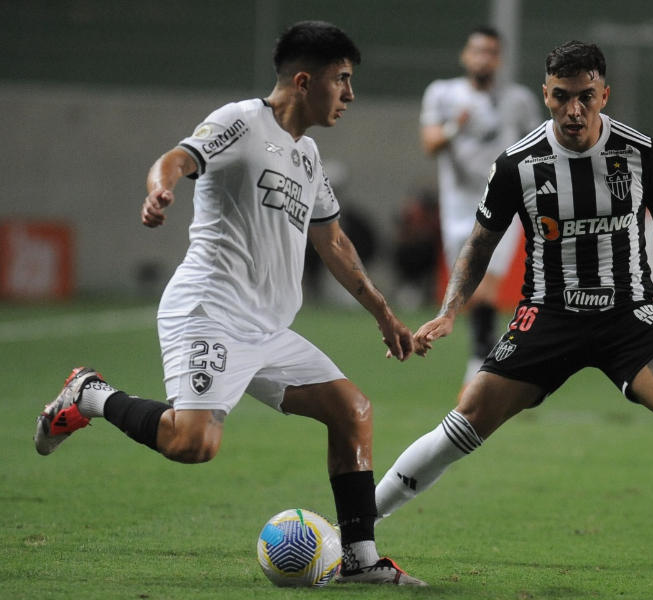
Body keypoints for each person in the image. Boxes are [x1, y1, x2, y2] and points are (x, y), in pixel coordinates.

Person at [375, 40, 653, 577]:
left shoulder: (642, 152)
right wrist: (450, 310)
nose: (574, 111)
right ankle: (357, 529)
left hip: (629, 314)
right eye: (562, 97)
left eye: (586, 97)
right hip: (548, 313)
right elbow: (480, 244)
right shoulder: (519, 164)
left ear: (604, 94)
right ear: (546, 95)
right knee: (468, 415)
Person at [33, 21, 425, 587]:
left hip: (268, 331)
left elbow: (334, 243)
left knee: (353, 412)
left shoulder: (309, 156)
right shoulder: (240, 122)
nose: (350, 94)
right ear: (303, 80)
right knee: (193, 445)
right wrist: (159, 188)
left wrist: (384, 314)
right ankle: (90, 394)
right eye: (341, 80)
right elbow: (176, 158)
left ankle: (360, 560)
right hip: (210, 313)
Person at [420, 26, 542, 387]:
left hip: (502, 202)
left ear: (499, 59)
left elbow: (538, 144)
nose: (483, 58)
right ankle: (483, 355)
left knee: (487, 284)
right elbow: (430, 145)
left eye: (491, 52)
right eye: (477, 51)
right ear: (465, 55)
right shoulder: (443, 93)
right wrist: (456, 127)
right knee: (467, 288)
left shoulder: (517, 99)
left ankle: (479, 363)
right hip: (457, 206)